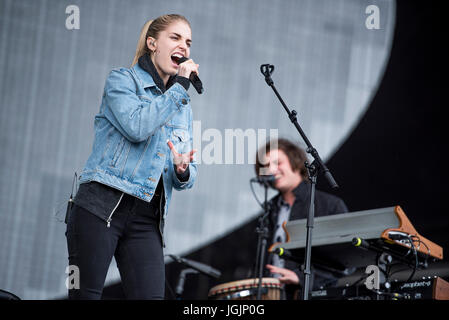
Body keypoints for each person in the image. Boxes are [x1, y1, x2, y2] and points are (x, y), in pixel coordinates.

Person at [65, 14, 198, 300]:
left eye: (188, 42)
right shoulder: (122, 81)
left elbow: (188, 177)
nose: (184, 47)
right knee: (84, 295)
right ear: (152, 43)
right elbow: (138, 127)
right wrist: (179, 90)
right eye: (175, 38)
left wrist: (183, 169)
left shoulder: (182, 106)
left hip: (147, 218)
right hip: (101, 206)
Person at [254, 138, 348, 299]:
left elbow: (345, 260)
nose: (271, 170)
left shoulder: (330, 205)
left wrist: (301, 277)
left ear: (295, 162)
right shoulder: (269, 210)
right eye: (266, 166)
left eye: (278, 163)